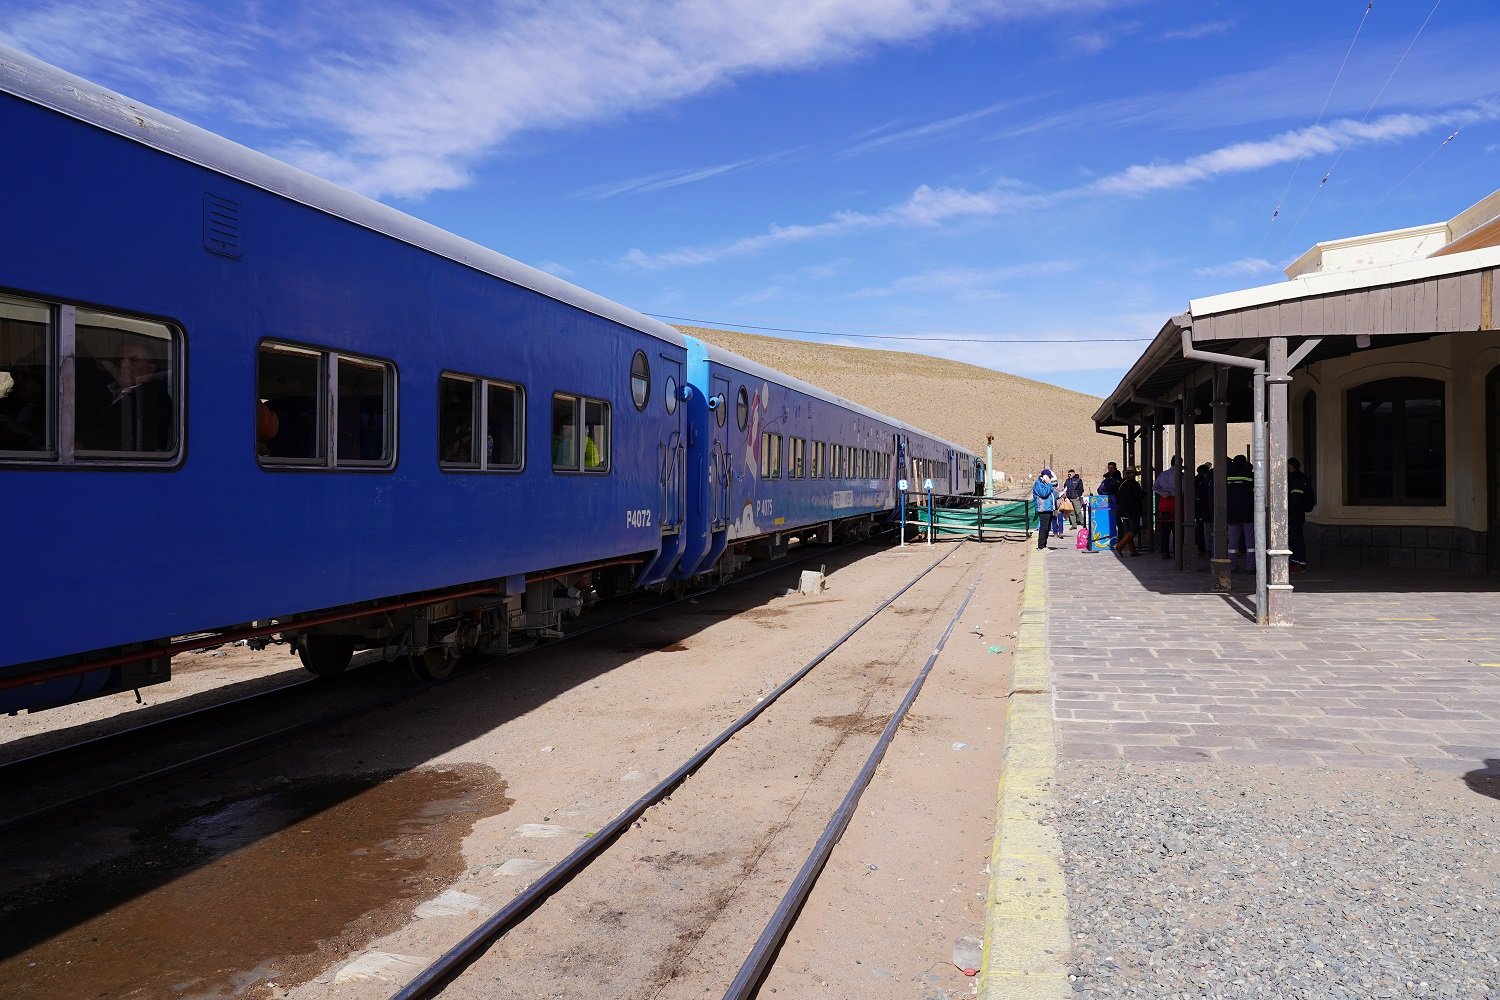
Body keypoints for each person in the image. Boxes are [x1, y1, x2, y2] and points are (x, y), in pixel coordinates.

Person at [75, 333, 173, 452]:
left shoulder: (155, 399)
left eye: (133, 360)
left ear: (151, 369)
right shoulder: (103, 391)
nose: (123, 365)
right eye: (119, 360)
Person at [1226, 454, 1255, 572]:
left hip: (1232, 513)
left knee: (1232, 541)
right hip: (1247, 512)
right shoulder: (1249, 475)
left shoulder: (1227, 475)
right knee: (1250, 541)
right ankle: (1251, 566)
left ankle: (1232, 565)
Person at [1153, 456, 1182, 558]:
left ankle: (1165, 552)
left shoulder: (1163, 474)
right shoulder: (1181, 475)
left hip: (1164, 503)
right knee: (1177, 530)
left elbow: (1155, 487)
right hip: (1177, 503)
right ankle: (1177, 552)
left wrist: (1163, 493)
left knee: (1165, 530)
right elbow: (1185, 489)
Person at [1288, 457, 1313, 571]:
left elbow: (1296, 497)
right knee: (1293, 538)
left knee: (1297, 538)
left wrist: (1290, 508)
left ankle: (1300, 563)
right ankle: (1295, 561)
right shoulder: (1298, 477)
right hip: (1295, 513)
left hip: (1295, 514)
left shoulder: (1297, 478)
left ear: (1292, 466)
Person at [1113, 466, 1144, 556]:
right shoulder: (1134, 484)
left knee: (1127, 531)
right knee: (1135, 529)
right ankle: (1120, 545)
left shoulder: (1120, 484)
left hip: (1122, 510)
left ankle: (1133, 551)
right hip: (1132, 511)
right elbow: (1139, 496)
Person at [1032, 468, 1058, 550]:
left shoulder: (1046, 484)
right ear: (1045, 476)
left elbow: (1053, 494)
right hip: (1043, 509)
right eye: (1049, 477)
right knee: (1043, 528)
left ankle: (1044, 545)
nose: (1050, 479)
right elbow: (1043, 494)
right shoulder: (1038, 483)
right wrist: (1050, 485)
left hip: (1049, 508)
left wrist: (1060, 494)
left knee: (1047, 528)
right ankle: (1041, 546)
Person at [1193, 462, 1213, 557]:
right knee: (1203, 528)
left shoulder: (1196, 480)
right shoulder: (1203, 481)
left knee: (1202, 528)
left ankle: (1203, 547)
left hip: (1200, 508)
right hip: (1203, 508)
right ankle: (1204, 547)